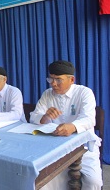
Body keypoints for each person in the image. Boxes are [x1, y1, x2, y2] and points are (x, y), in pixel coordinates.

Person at [30, 60, 102, 190]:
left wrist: (72, 126)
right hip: (53, 146)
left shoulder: (84, 93)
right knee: (44, 181)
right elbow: (34, 117)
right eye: (50, 79)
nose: (53, 84)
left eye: (58, 79)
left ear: (72, 79)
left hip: (83, 146)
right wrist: (45, 116)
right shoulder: (47, 94)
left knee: (93, 182)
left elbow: (89, 119)